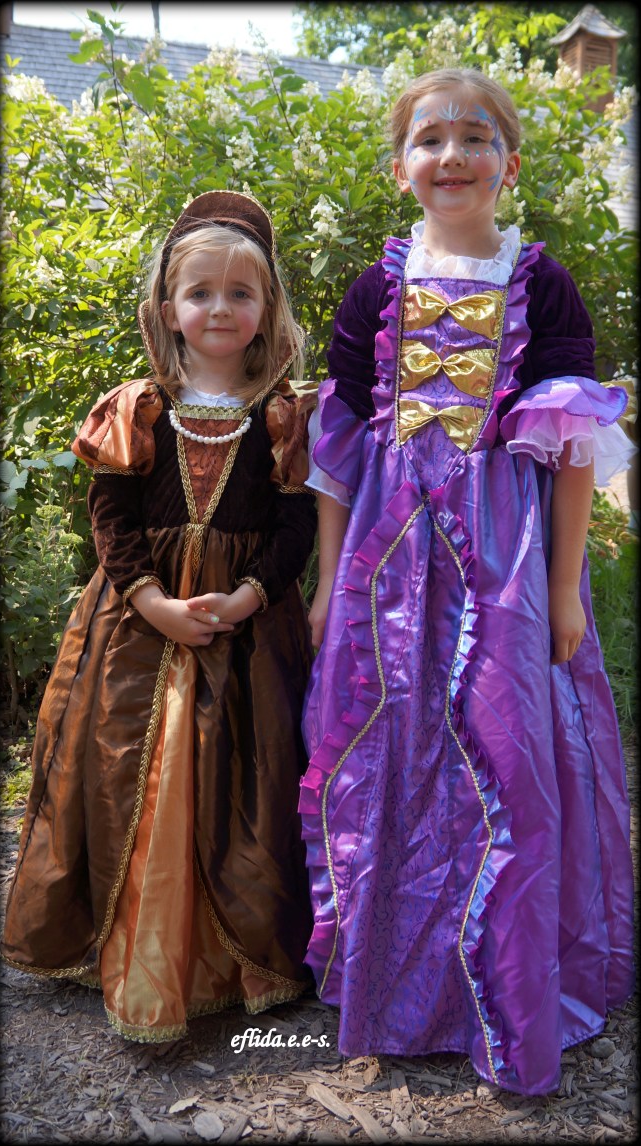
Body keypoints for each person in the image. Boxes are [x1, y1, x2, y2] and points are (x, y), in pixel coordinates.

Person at [299, 68, 635, 1096]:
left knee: (505, 752)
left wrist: (565, 589)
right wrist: (328, 579)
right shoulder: (375, 289)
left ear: (509, 163)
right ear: (401, 166)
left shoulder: (542, 283)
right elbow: (337, 449)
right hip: (389, 566)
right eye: (430, 138)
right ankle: (398, 986)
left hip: (506, 565)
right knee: (392, 750)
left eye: (475, 137)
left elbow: (569, 450)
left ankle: (509, 994)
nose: (453, 155)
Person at [1, 190, 318, 1043]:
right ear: (168, 308)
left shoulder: (283, 415)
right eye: (199, 292)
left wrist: (248, 595)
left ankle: (231, 953)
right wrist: (151, 601)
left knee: (244, 779)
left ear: (266, 309)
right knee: (122, 771)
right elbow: (110, 519)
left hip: (248, 631)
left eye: (240, 293)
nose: (219, 308)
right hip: (137, 623)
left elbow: (295, 529)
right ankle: (131, 942)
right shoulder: (138, 407)